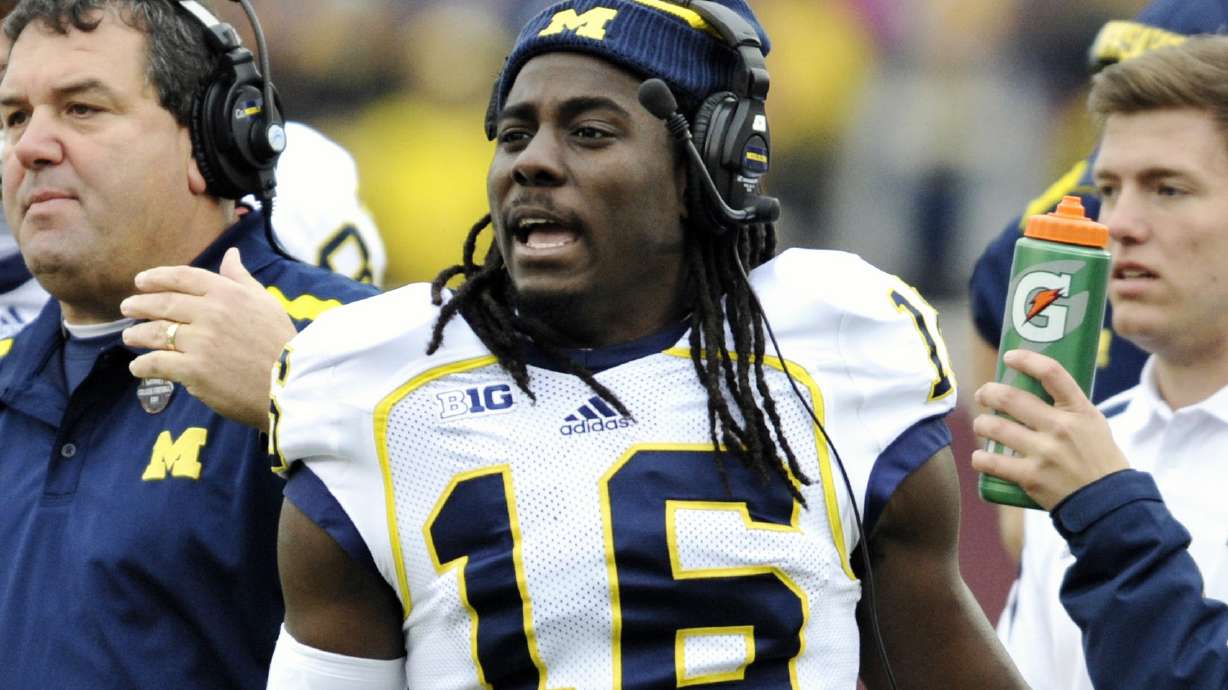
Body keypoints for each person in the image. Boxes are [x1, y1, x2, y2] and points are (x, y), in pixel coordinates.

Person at [266, 1, 1028, 688]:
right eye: (514, 133)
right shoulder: (375, 386)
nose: (531, 160)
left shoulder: (838, 345)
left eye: (589, 132)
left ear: (714, 166)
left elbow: (936, 656)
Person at [0, 1, 377, 688]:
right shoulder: (8, 375)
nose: (30, 146)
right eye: (15, 116)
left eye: (81, 109)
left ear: (211, 141)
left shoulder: (352, 343)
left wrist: (303, 400)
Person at [973, 35, 1228, 690]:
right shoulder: (1076, 446)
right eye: (1109, 190)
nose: (1117, 224)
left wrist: (1103, 506)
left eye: (1168, 190)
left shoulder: (1083, 471)